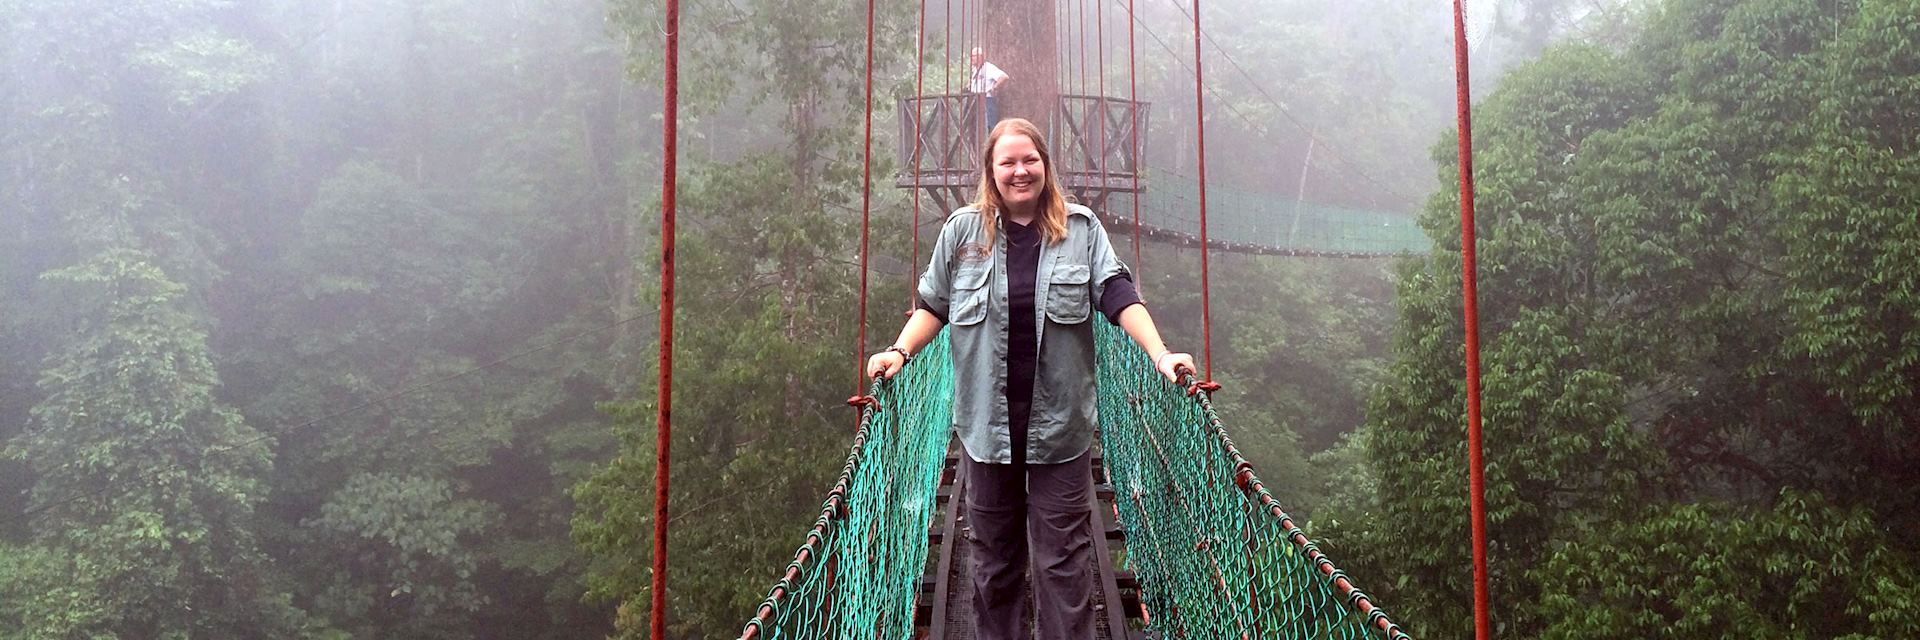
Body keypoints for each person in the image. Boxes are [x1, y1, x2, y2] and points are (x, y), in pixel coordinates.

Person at [866, 118, 1195, 640]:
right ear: (991, 172)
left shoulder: (1082, 230)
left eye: (1030, 160)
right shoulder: (961, 233)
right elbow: (935, 304)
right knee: (994, 565)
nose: (1020, 171)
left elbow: (1116, 294)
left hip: (1060, 431)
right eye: (1008, 162)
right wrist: (899, 352)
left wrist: (1159, 353)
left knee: (1063, 566)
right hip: (983, 430)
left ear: (1045, 165)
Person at [968, 47, 1009, 127]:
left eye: (973, 56)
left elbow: (1004, 76)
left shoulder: (988, 68)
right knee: (975, 126)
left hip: (986, 100)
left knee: (989, 125)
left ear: (980, 57)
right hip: (975, 101)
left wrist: (994, 87)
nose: (971, 58)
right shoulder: (975, 69)